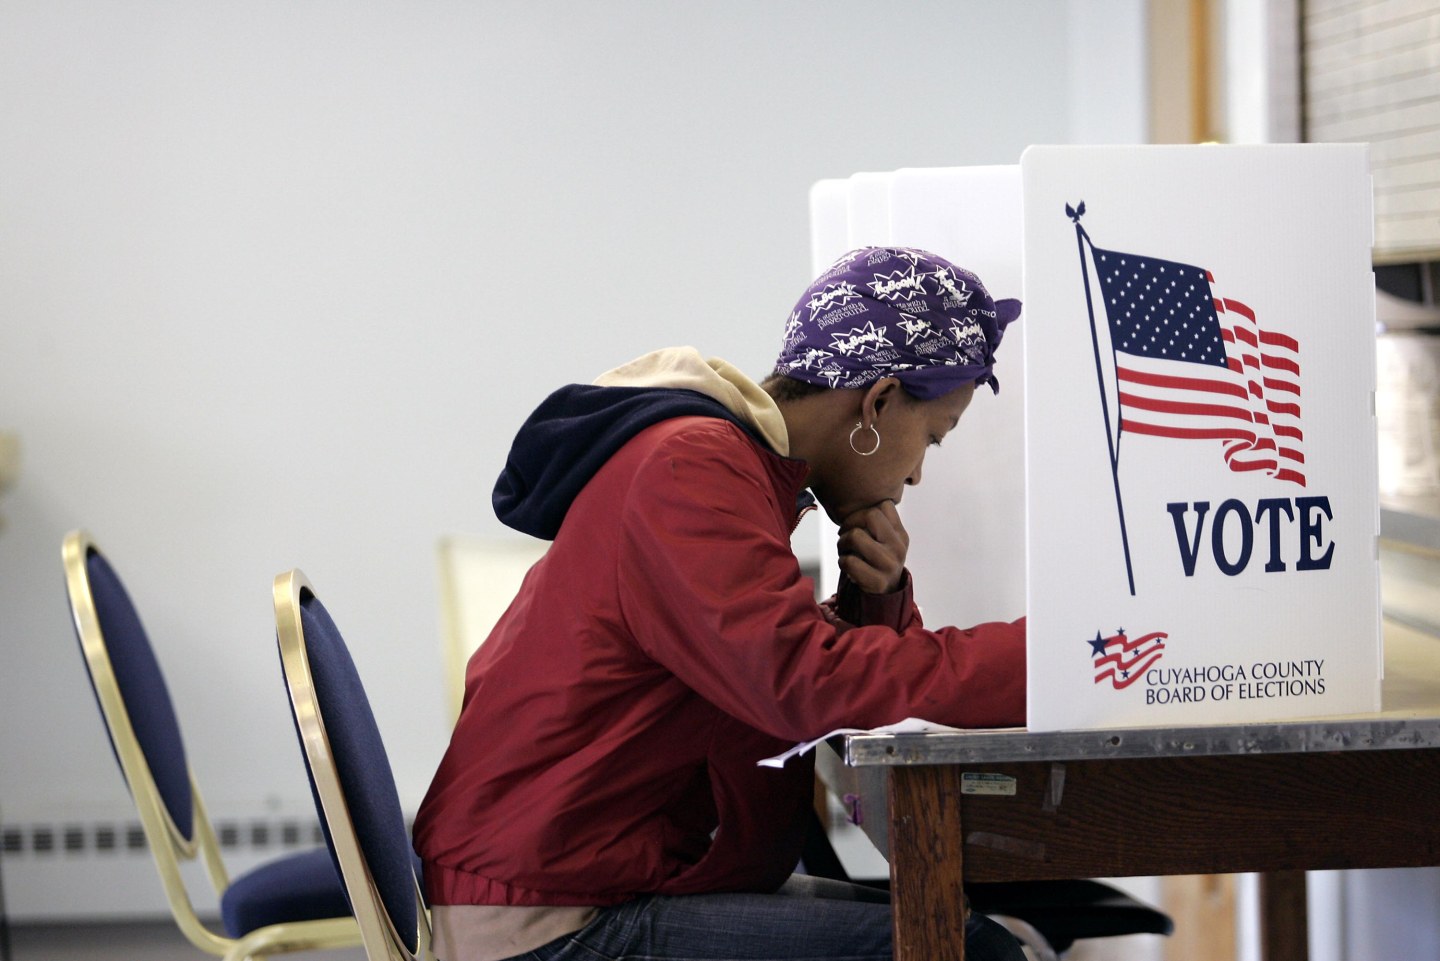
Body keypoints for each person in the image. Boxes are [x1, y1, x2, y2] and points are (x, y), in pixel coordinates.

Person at [413, 246, 1029, 961]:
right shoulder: (690, 470)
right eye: (931, 436)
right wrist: (1056, 655)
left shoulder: (731, 471)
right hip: (547, 919)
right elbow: (802, 682)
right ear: (879, 401)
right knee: (966, 947)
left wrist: (876, 599)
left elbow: (765, 680)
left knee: (953, 925)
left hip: (593, 877)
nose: (919, 471)